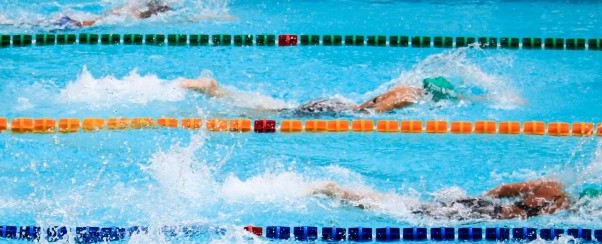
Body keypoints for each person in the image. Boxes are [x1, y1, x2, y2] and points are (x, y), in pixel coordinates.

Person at [313, 179, 599, 219]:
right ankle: (341, 193)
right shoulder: (563, 205)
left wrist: (476, 199)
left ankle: (346, 193)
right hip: (486, 215)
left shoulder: (549, 184)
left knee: (413, 207)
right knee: (414, 212)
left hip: (482, 206)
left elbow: (501, 189)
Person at [179, 75, 460, 114]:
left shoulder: (404, 87)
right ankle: (214, 92)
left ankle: (218, 92)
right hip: (339, 111)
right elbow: (370, 114)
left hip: (337, 103)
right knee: (274, 114)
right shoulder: (408, 97)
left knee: (279, 109)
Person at [0, 1, 172, 28]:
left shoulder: (124, 12)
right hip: (69, 25)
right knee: (8, 25)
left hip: (70, 21)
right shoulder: (128, 17)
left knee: (10, 23)